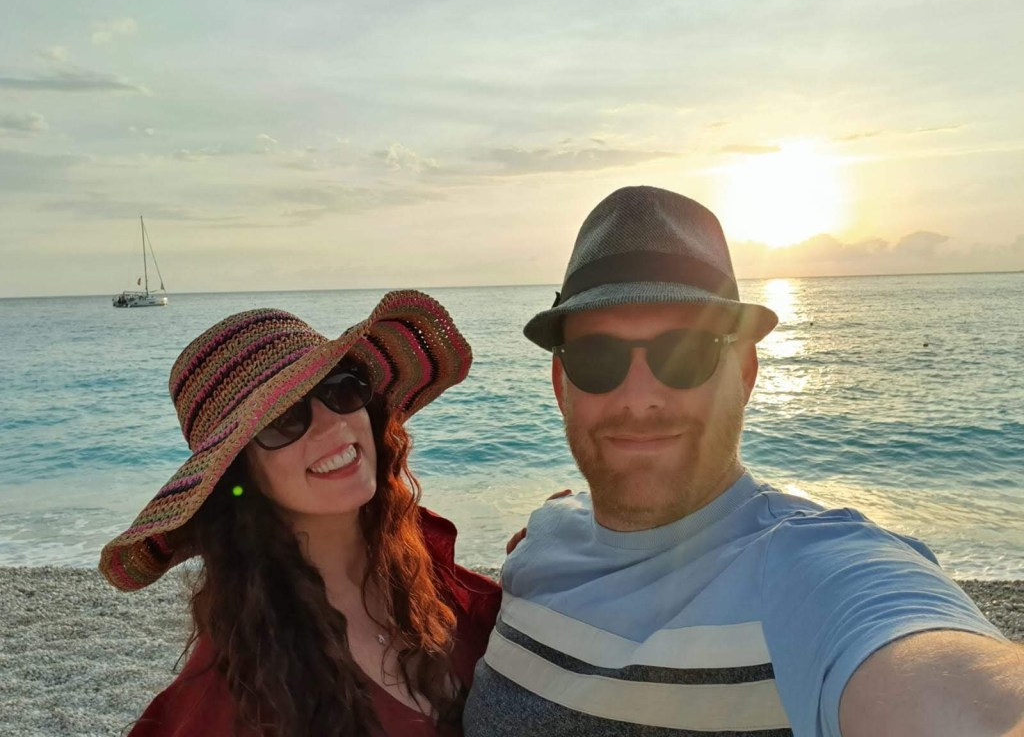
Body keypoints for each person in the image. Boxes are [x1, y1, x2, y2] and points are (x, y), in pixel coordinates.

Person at [463, 187, 1024, 737]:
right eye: (596, 357)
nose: (639, 398)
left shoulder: (812, 566)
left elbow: (948, 678)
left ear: (747, 373)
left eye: (684, 354)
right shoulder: (542, 544)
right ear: (562, 385)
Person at [100, 291, 501, 737]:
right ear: (240, 475)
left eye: (341, 388)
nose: (333, 424)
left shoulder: (429, 573)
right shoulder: (239, 689)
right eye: (284, 419)